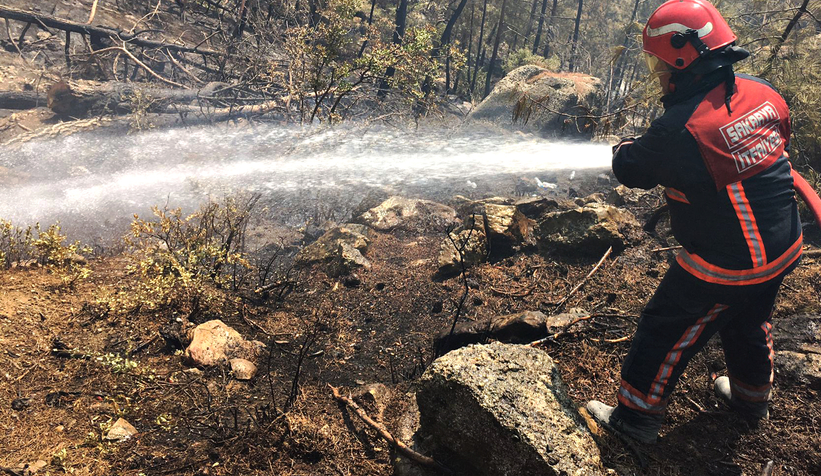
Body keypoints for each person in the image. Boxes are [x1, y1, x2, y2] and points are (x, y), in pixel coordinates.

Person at [586, 0, 803, 444]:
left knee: (663, 326)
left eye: (658, 61)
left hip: (728, 261)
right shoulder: (761, 90)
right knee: (748, 320)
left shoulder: (680, 129)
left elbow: (630, 171)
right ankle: (751, 399)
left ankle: (636, 418)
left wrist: (627, 146)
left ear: (684, 56)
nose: (657, 71)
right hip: (785, 244)